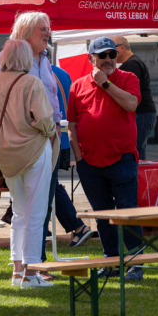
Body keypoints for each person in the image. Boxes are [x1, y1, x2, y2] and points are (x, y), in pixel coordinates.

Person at [0, 39, 59, 288]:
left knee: (19, 213)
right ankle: (30, 274)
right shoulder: (32, 82)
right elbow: (44, 120)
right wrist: (53, 130)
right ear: (26, 59)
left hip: (4, 155)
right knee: (35, 212)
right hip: (33, 150)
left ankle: (18, 271)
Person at [68, 37, 144, 280]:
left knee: (126, 211)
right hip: (89, 163)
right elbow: (72, 124)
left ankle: (135, 263)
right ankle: (111, 262)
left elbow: (131, 104)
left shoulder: (128, 79)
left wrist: (106, 84)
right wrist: (79, 157)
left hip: (122, 159)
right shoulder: (77, 86)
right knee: (102, 214)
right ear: (91, 58)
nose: (108, 59)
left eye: (112, 54)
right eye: (102, 55)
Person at [49, 64, 94, 250]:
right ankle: (75, 226)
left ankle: (78, 226)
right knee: (48, 184)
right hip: (63, 138)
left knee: (49, 185)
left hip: (53, 138)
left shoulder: (43, 73)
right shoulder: (62, 73)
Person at [113, 36, 157, 160]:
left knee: (134, 154)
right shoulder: (134, 62)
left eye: (112, 50)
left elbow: (128, 94)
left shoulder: (131, 64)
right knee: (138, 154)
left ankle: (136, 179)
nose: (110, 54)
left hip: (140, 114)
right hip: (143, 114)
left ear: (121, 48)